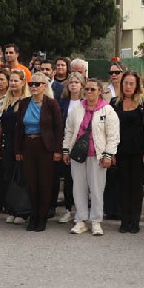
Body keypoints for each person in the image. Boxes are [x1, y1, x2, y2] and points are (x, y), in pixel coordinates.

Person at [62, 77, 120, 236]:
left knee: (96, 189)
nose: (89, 92)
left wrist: (108, 154)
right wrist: (66, 150)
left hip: (98, 155)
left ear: (100, 91)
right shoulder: (77, 109)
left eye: (92, 89)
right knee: (78, 188)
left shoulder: (107, 110)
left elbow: (113, 135)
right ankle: (80, 220)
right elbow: (69, 130)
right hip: (78, 155)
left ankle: (95, 221)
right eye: (86, 89)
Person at [14, 72, 63, 231]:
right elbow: (19, 128)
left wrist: (57, 150)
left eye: (37, 84)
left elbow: (58, 128)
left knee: (45, 183)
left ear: (44, 86)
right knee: (31, 183)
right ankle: (33, 215)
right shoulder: (24, 103)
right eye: (31, 84)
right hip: (28, 145)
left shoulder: (52, 104)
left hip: (45, 147)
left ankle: (42, 216)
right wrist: (18, 149)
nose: (33, 87)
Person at [110, 71, 144, 233]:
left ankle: (134, 221)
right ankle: (124, 220)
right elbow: (110, 129)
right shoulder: (114, 103)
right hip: (120, 151)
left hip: (138, 152)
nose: (128, 87)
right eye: (125, 83)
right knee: (122, 186)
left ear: (136, 86)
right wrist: (111, 153)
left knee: (135, 187)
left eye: (131, 83)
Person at [56, 72, 85, 223]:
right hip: (67, 144)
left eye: (76, 82)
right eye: (71, 82)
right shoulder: (62, 103)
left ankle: (81, 211)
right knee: (68, 179)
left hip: (83, 145)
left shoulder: (86, 102)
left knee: (81, 180)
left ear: (82, 85)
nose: (73, 85)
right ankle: (68, 209)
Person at [0, 69, 24, 220]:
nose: (13, 83)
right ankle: (11, 209)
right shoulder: (5, 101)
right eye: (11, 81)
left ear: (22, 82)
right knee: (8, 176)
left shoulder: (26, 100)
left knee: (19, 177)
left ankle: (21, 211)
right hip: (6, 142)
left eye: (15, 81)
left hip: (19, 143)